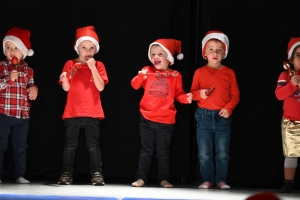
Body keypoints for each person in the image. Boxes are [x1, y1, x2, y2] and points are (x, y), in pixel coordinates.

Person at [131, 39, 193, 188]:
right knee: (146, 151)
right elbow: (134, 85)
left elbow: (179, 94)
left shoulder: (175, 75)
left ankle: (163, 178)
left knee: (163, 153)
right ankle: (141, 178)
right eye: (153, 54)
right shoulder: (147, 70)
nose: (155, 57)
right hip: (146, 118)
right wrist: (140, 76)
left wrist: (185, 98)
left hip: (166, 121)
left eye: (160, 54)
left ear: (170, 58)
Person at [58, 26, 108, 186]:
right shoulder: (70, 63)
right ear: (77, 48)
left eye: (91, 48)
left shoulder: (98, 65)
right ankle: (66, 173)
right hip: (73, 112)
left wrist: (92, 67)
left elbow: (101, 87)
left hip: (92, 112)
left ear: (96, 50)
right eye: (84, 47)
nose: (88, 51)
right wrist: (64, 78)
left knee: (93, 145)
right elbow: (66, 88)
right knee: (70, 145)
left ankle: (97, 173)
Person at [190, 31, 240, 189]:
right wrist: (200, 94)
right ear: (204, 52)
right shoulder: (199, 72)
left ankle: (221, 180)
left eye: (219, 49)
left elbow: (235, 95)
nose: (215, 53)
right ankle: (207, 180)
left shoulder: (229, 72)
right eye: (210, 49)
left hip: (222, 117)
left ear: (224, 53)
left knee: (223, 153)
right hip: (204, 117)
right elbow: (192, 94)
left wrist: (228, 108)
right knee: (204, 153)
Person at [0, 27, 38, 184]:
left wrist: (33, 88)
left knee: (20, 147)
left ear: (23, 51)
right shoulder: (2, 66)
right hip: (4, 112)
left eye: (15, 48)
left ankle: (19, 175)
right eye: (8, 48)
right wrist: (9, 79)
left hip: (22, 115)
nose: (11, 51)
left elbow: (31, 84)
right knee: (1, 145)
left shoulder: (28, 70)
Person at [275, 37, 300, 193]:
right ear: (291, 58)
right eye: (298, 55)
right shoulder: (285, 76)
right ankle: (289, 183)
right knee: (291, 154)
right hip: (290, 121)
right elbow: (279, 95)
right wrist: (292, 85)